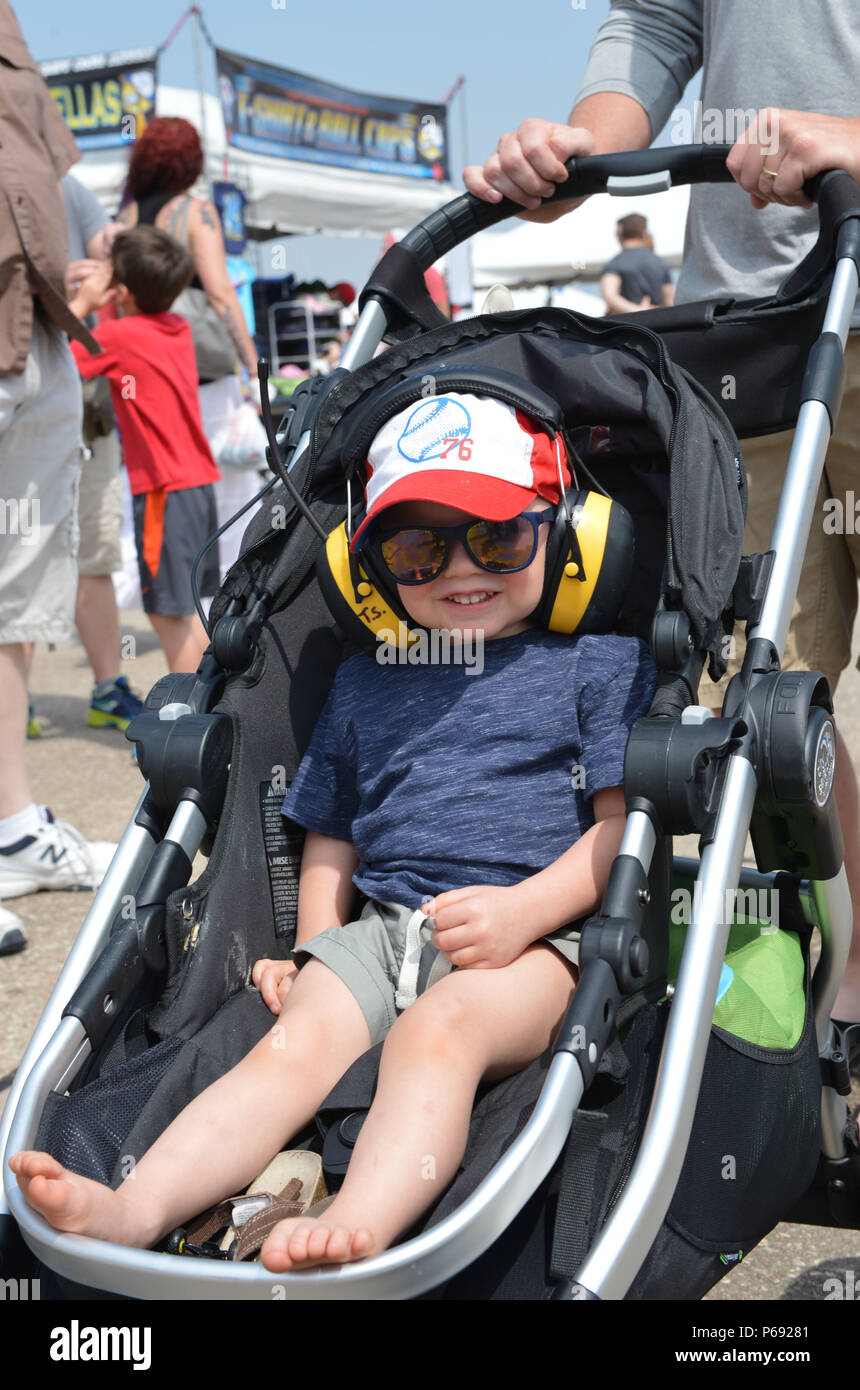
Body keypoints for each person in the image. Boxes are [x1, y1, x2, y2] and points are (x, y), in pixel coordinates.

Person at [9, 392, 657, 1269]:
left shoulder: (594, 666)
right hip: (377, 934)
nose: (461, 568)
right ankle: (135, 1206)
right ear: (371, 570)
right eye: (419, 548)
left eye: (499, 538)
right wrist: (315, 944)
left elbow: (624, 836)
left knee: (440, 1033)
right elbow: (333, 839)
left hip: (538, 946)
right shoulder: (367, 683)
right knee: (289, 1049)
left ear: (566, 534)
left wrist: (526, 913)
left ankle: (365, 1216)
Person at [463, 0, 860, 1021]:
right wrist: (581, 148)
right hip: (756, 324)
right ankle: (854, 946)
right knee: (761, 689)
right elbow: (653, 22)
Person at [0, 2, 117, 937]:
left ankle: (9, 830)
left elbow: (46, 162)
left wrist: (68, 267)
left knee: (14, 598)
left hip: (30, 325)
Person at [67, 228, 220, 674]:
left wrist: (84, 303)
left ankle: (187, 724)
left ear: (122, 289)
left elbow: (60, 361)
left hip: (162, 492)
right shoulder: (178, 325)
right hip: (197, 486)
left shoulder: (119, 336)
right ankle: (211, 713)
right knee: (188, 611)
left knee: (167, 616)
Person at [117, 117, 264, 582]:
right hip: (198, 368)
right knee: (228, 483)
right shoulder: (197, 212)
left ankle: (165, 586)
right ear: (190, 161)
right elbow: (220, 292)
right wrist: (251, 362)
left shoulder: (126, 217)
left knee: (160, 482)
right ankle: (229, 592)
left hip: (144, 377)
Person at [61, 173, 144, 733]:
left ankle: (107, 685)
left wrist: (109, 257)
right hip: (17, 398)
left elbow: (108, 251)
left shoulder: (65, 185)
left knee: (95, 553)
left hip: (85, 410)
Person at [600, 212, 675, 313]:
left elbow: (610, 296)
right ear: (644, 233)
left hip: (626, 324)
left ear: (619, 234)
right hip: (655, 325)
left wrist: (638, 311)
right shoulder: (660, 262)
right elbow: (670, 301)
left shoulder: (615, 263)